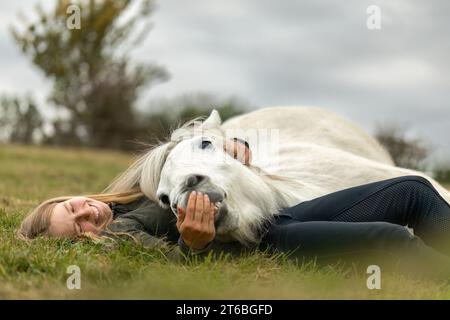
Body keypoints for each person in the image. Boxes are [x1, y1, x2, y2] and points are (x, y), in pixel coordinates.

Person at [18, 140, 450, 276]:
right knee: (388, 239)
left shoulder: (132, 189)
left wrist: (228, 146)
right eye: (77, 229)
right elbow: (173, 259)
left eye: (73, 207)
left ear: (72, 196)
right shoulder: (119, 234)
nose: (86, 215)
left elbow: (185, 147)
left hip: (272, 213)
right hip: (258, 242)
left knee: (411, 189)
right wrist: (193, 243)